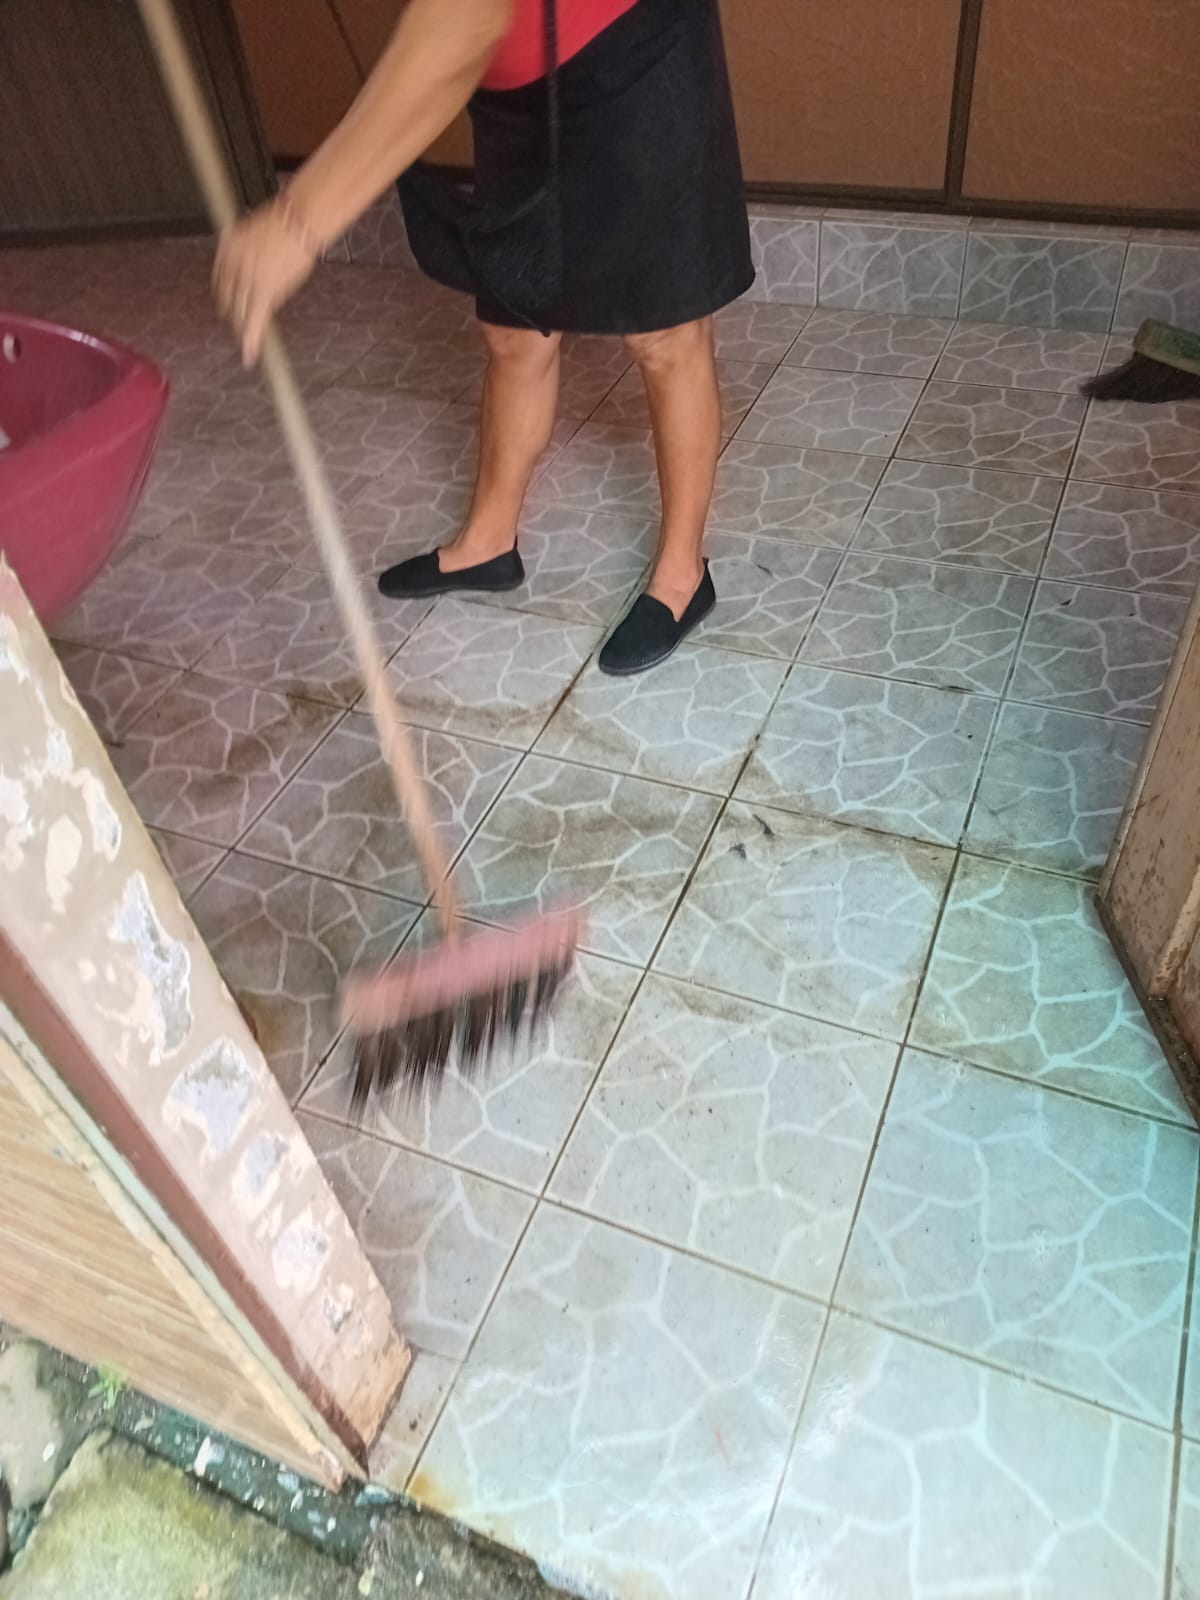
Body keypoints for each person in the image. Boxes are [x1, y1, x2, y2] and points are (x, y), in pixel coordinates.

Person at [214, 0, 753, 675]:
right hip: (512, 79)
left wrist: (300, 219)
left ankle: (683, 575)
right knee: (513, 325)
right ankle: (489, 542)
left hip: (633, 49)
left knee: (664, 334)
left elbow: (461, 23)